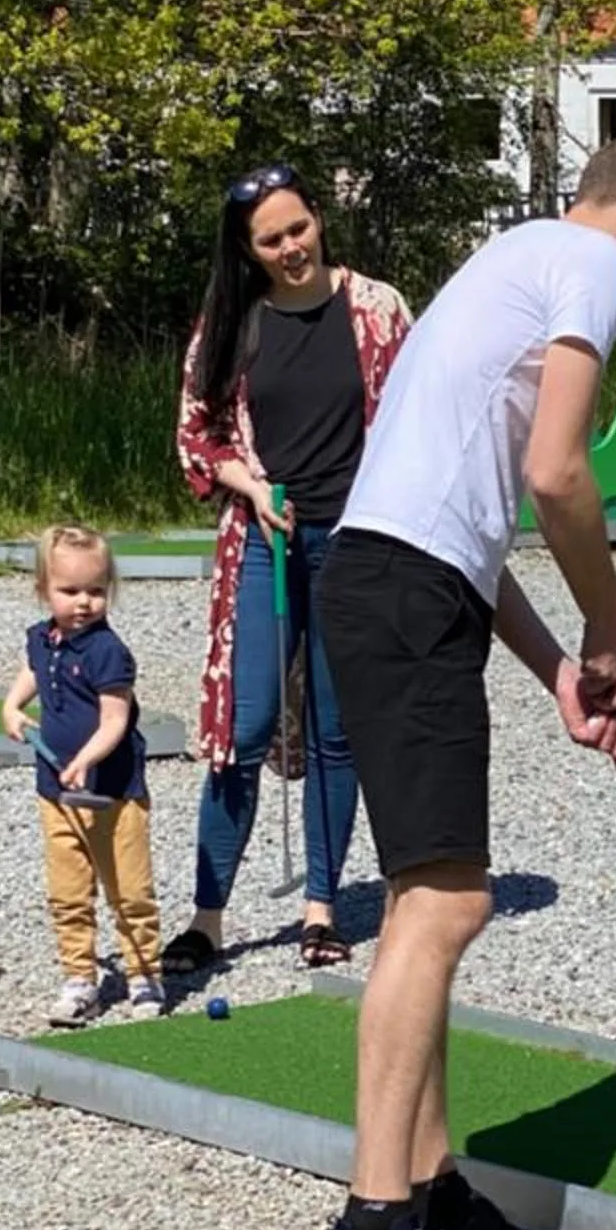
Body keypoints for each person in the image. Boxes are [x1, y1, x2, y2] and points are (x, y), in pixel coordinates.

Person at [312, 131, 616, 1230]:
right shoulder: (584, 264)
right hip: (399, 591)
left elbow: (466, 530)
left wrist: (556, 676)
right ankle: (370, 1229)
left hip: (405, 583)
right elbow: (558, 473)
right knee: (441, 905)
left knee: (439, 894)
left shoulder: (514, 260)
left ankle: (432, 1197)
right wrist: (609, 622)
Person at [167, 163, 411, 975]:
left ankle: (320, 908)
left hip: (355, 541)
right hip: (265, 540)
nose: (290, 248)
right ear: (249, 249)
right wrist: (250, 484)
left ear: (319, 219)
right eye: (271, 240)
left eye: (298, 228)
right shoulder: (233, 321)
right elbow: (195, 433)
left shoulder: (377, 310)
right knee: (243, 728)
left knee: (336, 733)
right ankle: (207, 916)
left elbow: (416, 418)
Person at [1, 524, 164, 1026]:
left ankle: (143, 975)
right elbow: (34, 668)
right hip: (55, 791)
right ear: (43, 590)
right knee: (68, 889)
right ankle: (79, 978)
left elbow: (116, 719)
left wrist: (87, 760)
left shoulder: (107, 651)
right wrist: (11, 705)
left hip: (113, 794)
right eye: (69, 591)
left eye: (96, 591)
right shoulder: (44, 637)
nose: (83, 603)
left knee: (129, 890)